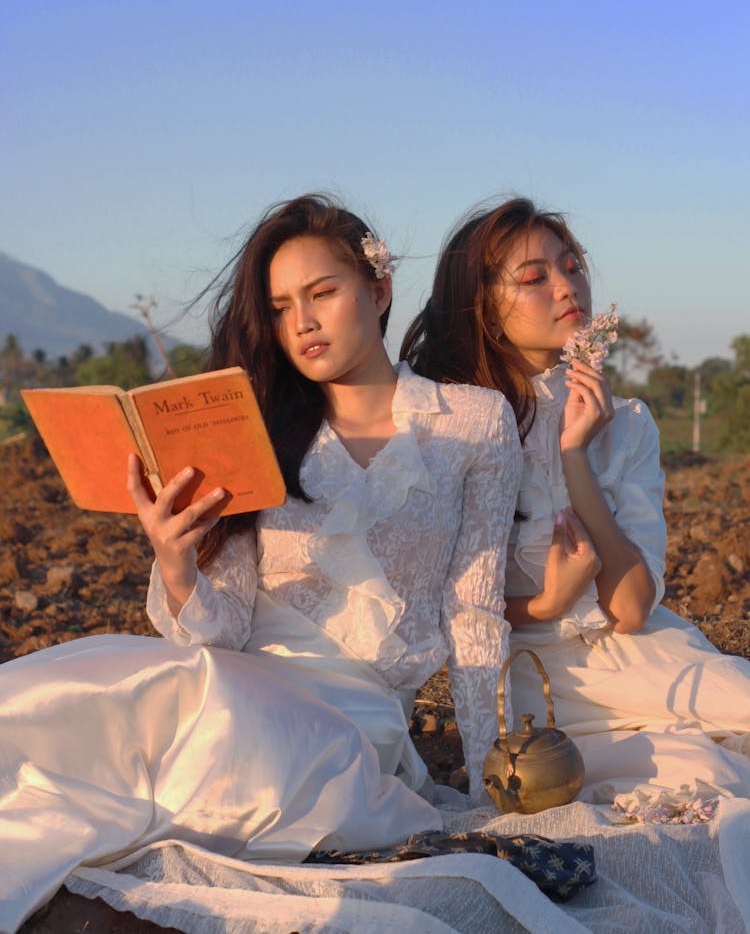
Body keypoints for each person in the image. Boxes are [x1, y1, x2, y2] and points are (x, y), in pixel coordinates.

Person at [0, 194, 521, 933]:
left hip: (354, 715)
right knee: (82, 708)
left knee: (194, 754)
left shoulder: (475, 421)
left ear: (378, 289)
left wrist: (483, 777)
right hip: (241, 679)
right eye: (279, 307)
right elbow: (221, 631)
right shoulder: (259, 431)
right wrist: (176, 559)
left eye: (322, 293)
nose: (301, 322)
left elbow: (475, 614)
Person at [402, 196, 750, 804]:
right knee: (707, 776)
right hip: (529, 676)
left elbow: (634, 609)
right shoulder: (447, 427)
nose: (568, 287)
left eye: (572, 266)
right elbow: (437, 604)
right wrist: (549, 602)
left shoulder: (628, 424)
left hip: (641, 652)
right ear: (482, 305)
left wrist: (575, 458)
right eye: (535, 277)